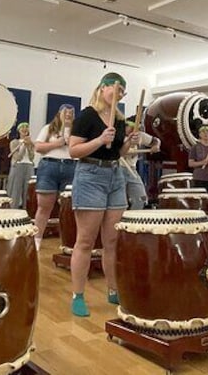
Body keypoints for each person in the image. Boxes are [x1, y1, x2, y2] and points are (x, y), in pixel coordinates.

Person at [67, 73, 137, 317]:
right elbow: (73, 151)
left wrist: (127, 142)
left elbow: (118, 153)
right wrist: (99, 140)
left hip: (115, 177)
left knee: (112, 241)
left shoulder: (117, 119)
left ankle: (112, 289)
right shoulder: (87, 115)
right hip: (90, 176)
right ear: (102, 88)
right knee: (85, 241)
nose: (118, 95)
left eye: (122, 92)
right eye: (115, 89)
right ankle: (78, 295)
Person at [33, 104, 77, 251]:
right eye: (65, 112)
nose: (68, 115)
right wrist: (57, 144)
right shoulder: (48, 128)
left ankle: (69, 241)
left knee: (70, 207)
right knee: (44, 206)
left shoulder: (77, 131)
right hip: (49, 166)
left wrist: (71, 142)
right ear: (59, 114)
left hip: (71, 166)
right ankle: (36, 240)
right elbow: (38, 148)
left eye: (71, 113)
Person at [119, 119, 160, 210]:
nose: (134, 130)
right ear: (126, 126)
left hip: (131, 170)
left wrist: (155, 146)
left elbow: (155, 140)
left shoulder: (139, 136)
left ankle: (132, 221)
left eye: (136, 128)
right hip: (118, 169)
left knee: (141, 199)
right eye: (131, 127)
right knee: (119, 202)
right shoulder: (118, 135)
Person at [188, 125, 208, 203]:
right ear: (199, 134)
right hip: (199, 178)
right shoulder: (195, 147)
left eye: (207, 131)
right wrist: (202, 163)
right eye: (203, 131)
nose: (205, 133)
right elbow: (190, 163)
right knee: (198, 201)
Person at [7, 122, 36, 208]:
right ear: (18, 130)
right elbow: (18, 157)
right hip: (18, 166)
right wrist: (23, 146)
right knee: (16, 190)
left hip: (29, 166)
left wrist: (28, 146)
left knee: (28, 191)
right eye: (22, 127)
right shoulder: (14, 142)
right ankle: (13, 209)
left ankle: (26, 209)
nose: (25, 129)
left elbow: (31, 157)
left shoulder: (30, 142)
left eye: (26, 127)